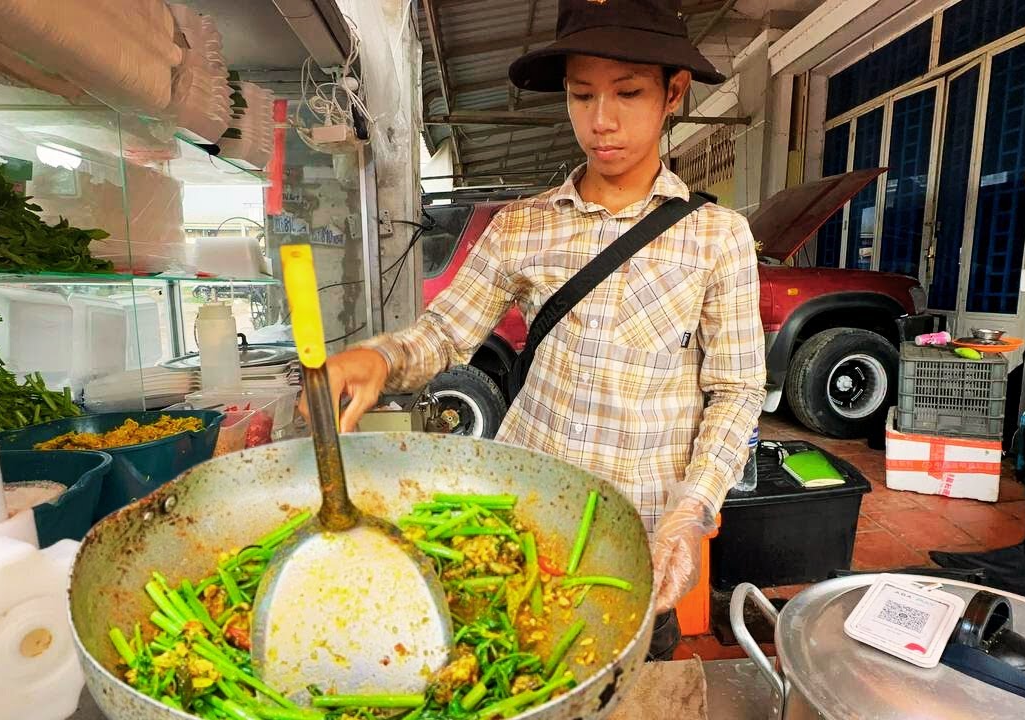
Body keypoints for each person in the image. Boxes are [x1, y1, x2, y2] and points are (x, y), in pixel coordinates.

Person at [321, 0, 765, 660]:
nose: (601, 120)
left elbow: (735, 392)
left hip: (637, 542)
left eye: (628, 92)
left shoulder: (717, 237)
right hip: (525, 526)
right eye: (581, 95)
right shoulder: (522, 226)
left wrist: (692, 506)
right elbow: (443, 332)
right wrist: (381, 359)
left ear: (674, 92)